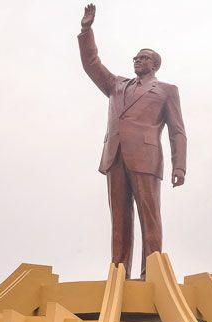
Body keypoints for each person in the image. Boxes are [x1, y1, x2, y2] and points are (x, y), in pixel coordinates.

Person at [77, 3, 188, 278]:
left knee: (150, 217)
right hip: (115, 155)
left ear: (155, 64)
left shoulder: (166, 91)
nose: (137, 60)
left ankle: (150, 273)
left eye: (143, 57)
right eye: (136, 58)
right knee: (119, 218)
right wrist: (86, 30)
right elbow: (92, 64)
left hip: (146, 157)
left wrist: (179, 166)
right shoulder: (116, 85)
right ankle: (119, 272)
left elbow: (177, 130)